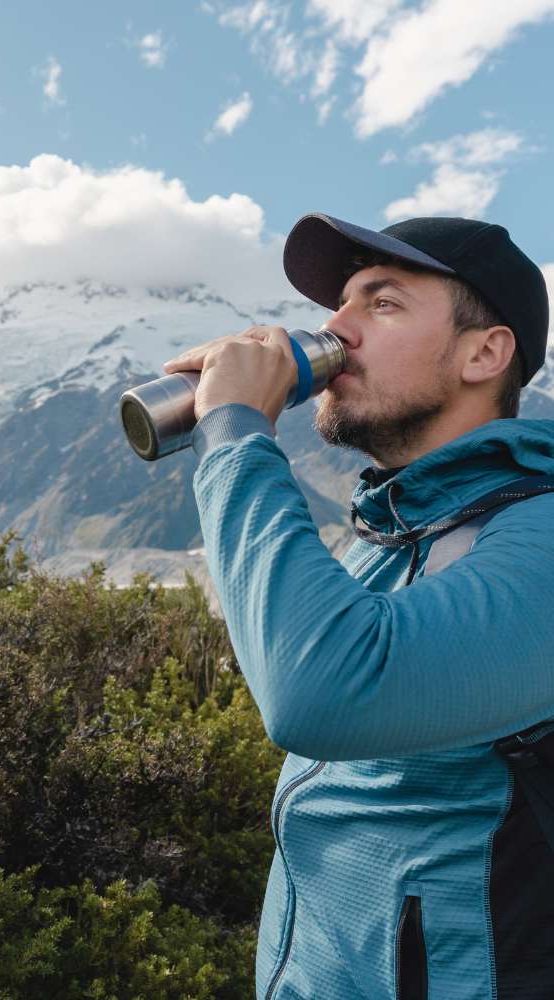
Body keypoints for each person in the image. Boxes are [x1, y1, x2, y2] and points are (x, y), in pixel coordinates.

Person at [161, 213, 553, 1000]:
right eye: (340, 304)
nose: (335, 329)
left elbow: (324, 691)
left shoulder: (538, 537)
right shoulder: (392, 526)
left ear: (485, 353)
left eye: (382, 303)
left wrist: (236, 433)